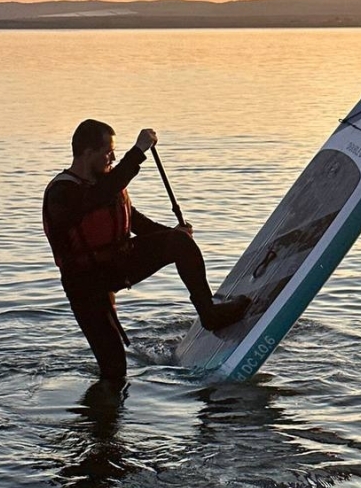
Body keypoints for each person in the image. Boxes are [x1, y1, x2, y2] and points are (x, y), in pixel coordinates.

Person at [43, 119, 250, 379]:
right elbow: (100, 197)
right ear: (87, 153)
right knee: (115, 369)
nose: (113, 158)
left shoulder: (104, 183)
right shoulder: (62, 193)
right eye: (108, 153)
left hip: (117, 264)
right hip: (84, 285)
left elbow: (135, 220)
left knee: (180, 244)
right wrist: (138, 152)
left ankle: (208, 312)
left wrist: (173, 234)